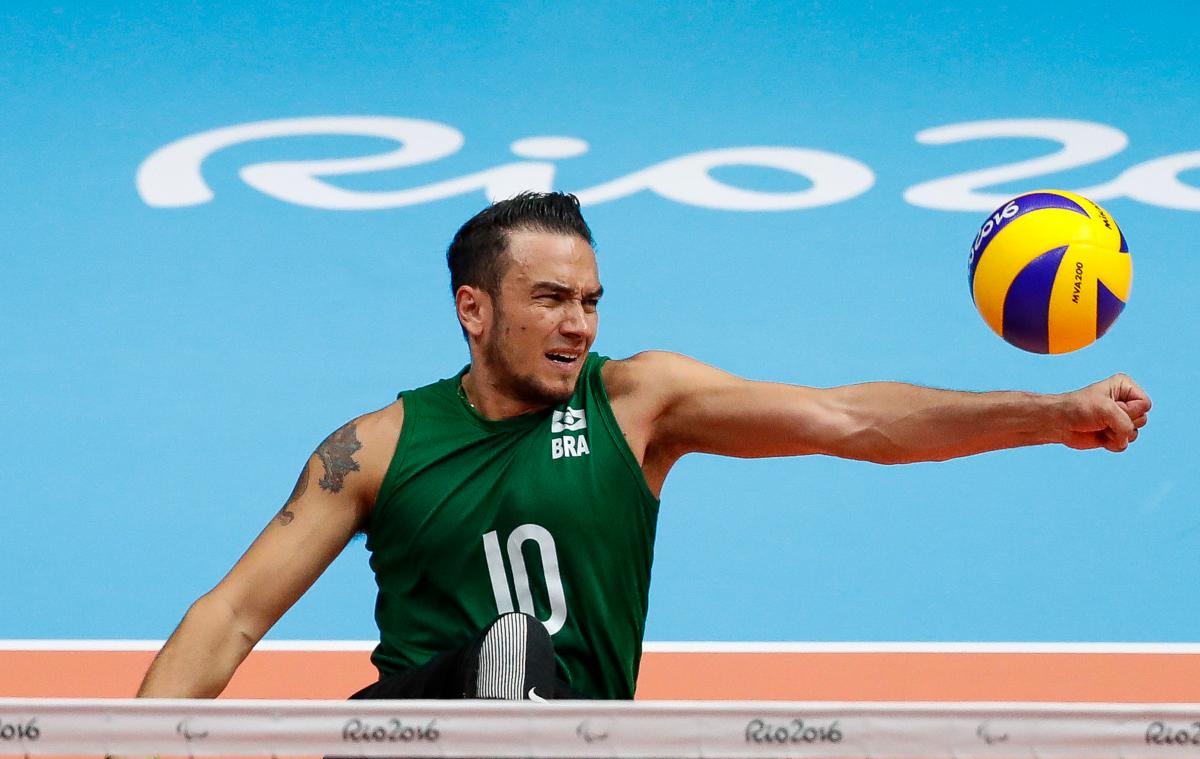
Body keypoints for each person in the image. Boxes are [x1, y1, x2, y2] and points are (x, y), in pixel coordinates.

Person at [136, 192, 1151, 701]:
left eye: (589, 302)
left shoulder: (638, 404)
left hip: (585, 740)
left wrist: (1052, 412)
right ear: (473, 309)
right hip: (406, 737)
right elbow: (229, 616)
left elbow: (857, 422)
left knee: (535, 677)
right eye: (549, 301)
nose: (578, 324)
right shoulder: (377, 446)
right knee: (507, 655)